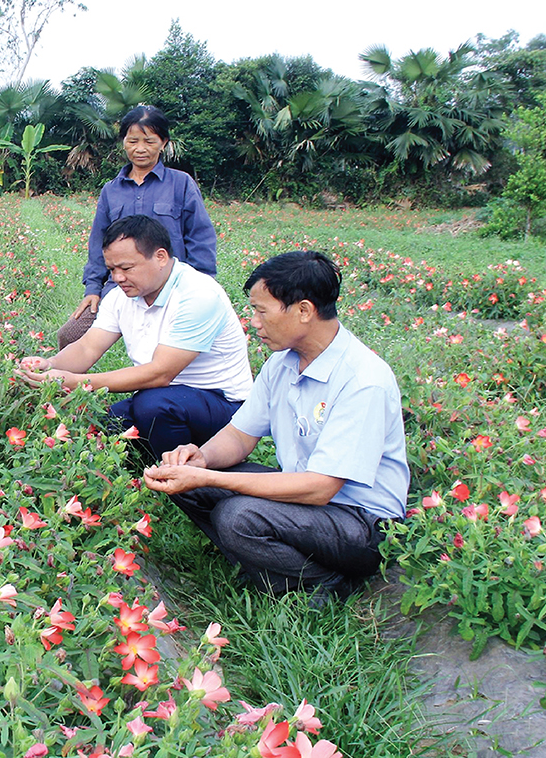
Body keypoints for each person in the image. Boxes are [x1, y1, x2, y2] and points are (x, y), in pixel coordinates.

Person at [139, 250, 407, 605]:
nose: (254, 322)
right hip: (310, 507)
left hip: (361, 524)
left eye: (261, 311)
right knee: (187, 482)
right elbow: (239, 435)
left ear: (304, 311)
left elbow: (320, 489)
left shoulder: (362, 380)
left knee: (238, 516)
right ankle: (268, 565)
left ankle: (324, 583)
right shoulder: (282, 364)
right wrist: (199, 458)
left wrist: (211, 478)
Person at [14, 215, 251, 460]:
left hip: (222, 406)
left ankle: (179, 478)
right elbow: (87, 347)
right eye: (112, 270)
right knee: (104, 425)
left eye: (126, 268)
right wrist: (50, 365)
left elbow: (161, 373)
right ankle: (146, 467)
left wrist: (77, 382)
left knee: (152, 406)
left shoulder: (197, 295)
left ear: (160, 257)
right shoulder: (121, 297)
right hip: (165, 396)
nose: (117, 278)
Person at [54, 105, 219, 350]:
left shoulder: (181, 184)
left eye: (149, 141)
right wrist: (93, 289)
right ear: (124, 143)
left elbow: (200, 237)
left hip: (170, 287)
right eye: (132, 141)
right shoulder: (112, 190)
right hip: (121, 286)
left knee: (173, 349)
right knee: (70, 336)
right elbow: (99, 242)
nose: (140, 149)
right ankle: (64, 385)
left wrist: (202, 286)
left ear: (163, 142)